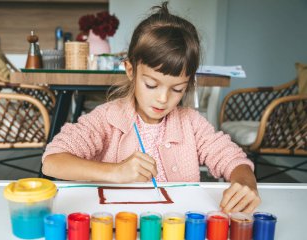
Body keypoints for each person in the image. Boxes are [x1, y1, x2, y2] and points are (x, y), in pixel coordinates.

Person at [42, 2, 261, 213]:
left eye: (177, 89)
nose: (163, 99)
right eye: (151, 85)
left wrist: (245, 182)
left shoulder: (192, 124)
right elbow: (53, 161)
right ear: (130, 70)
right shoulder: (106, 119)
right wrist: (116, 172)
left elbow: (232, 159)